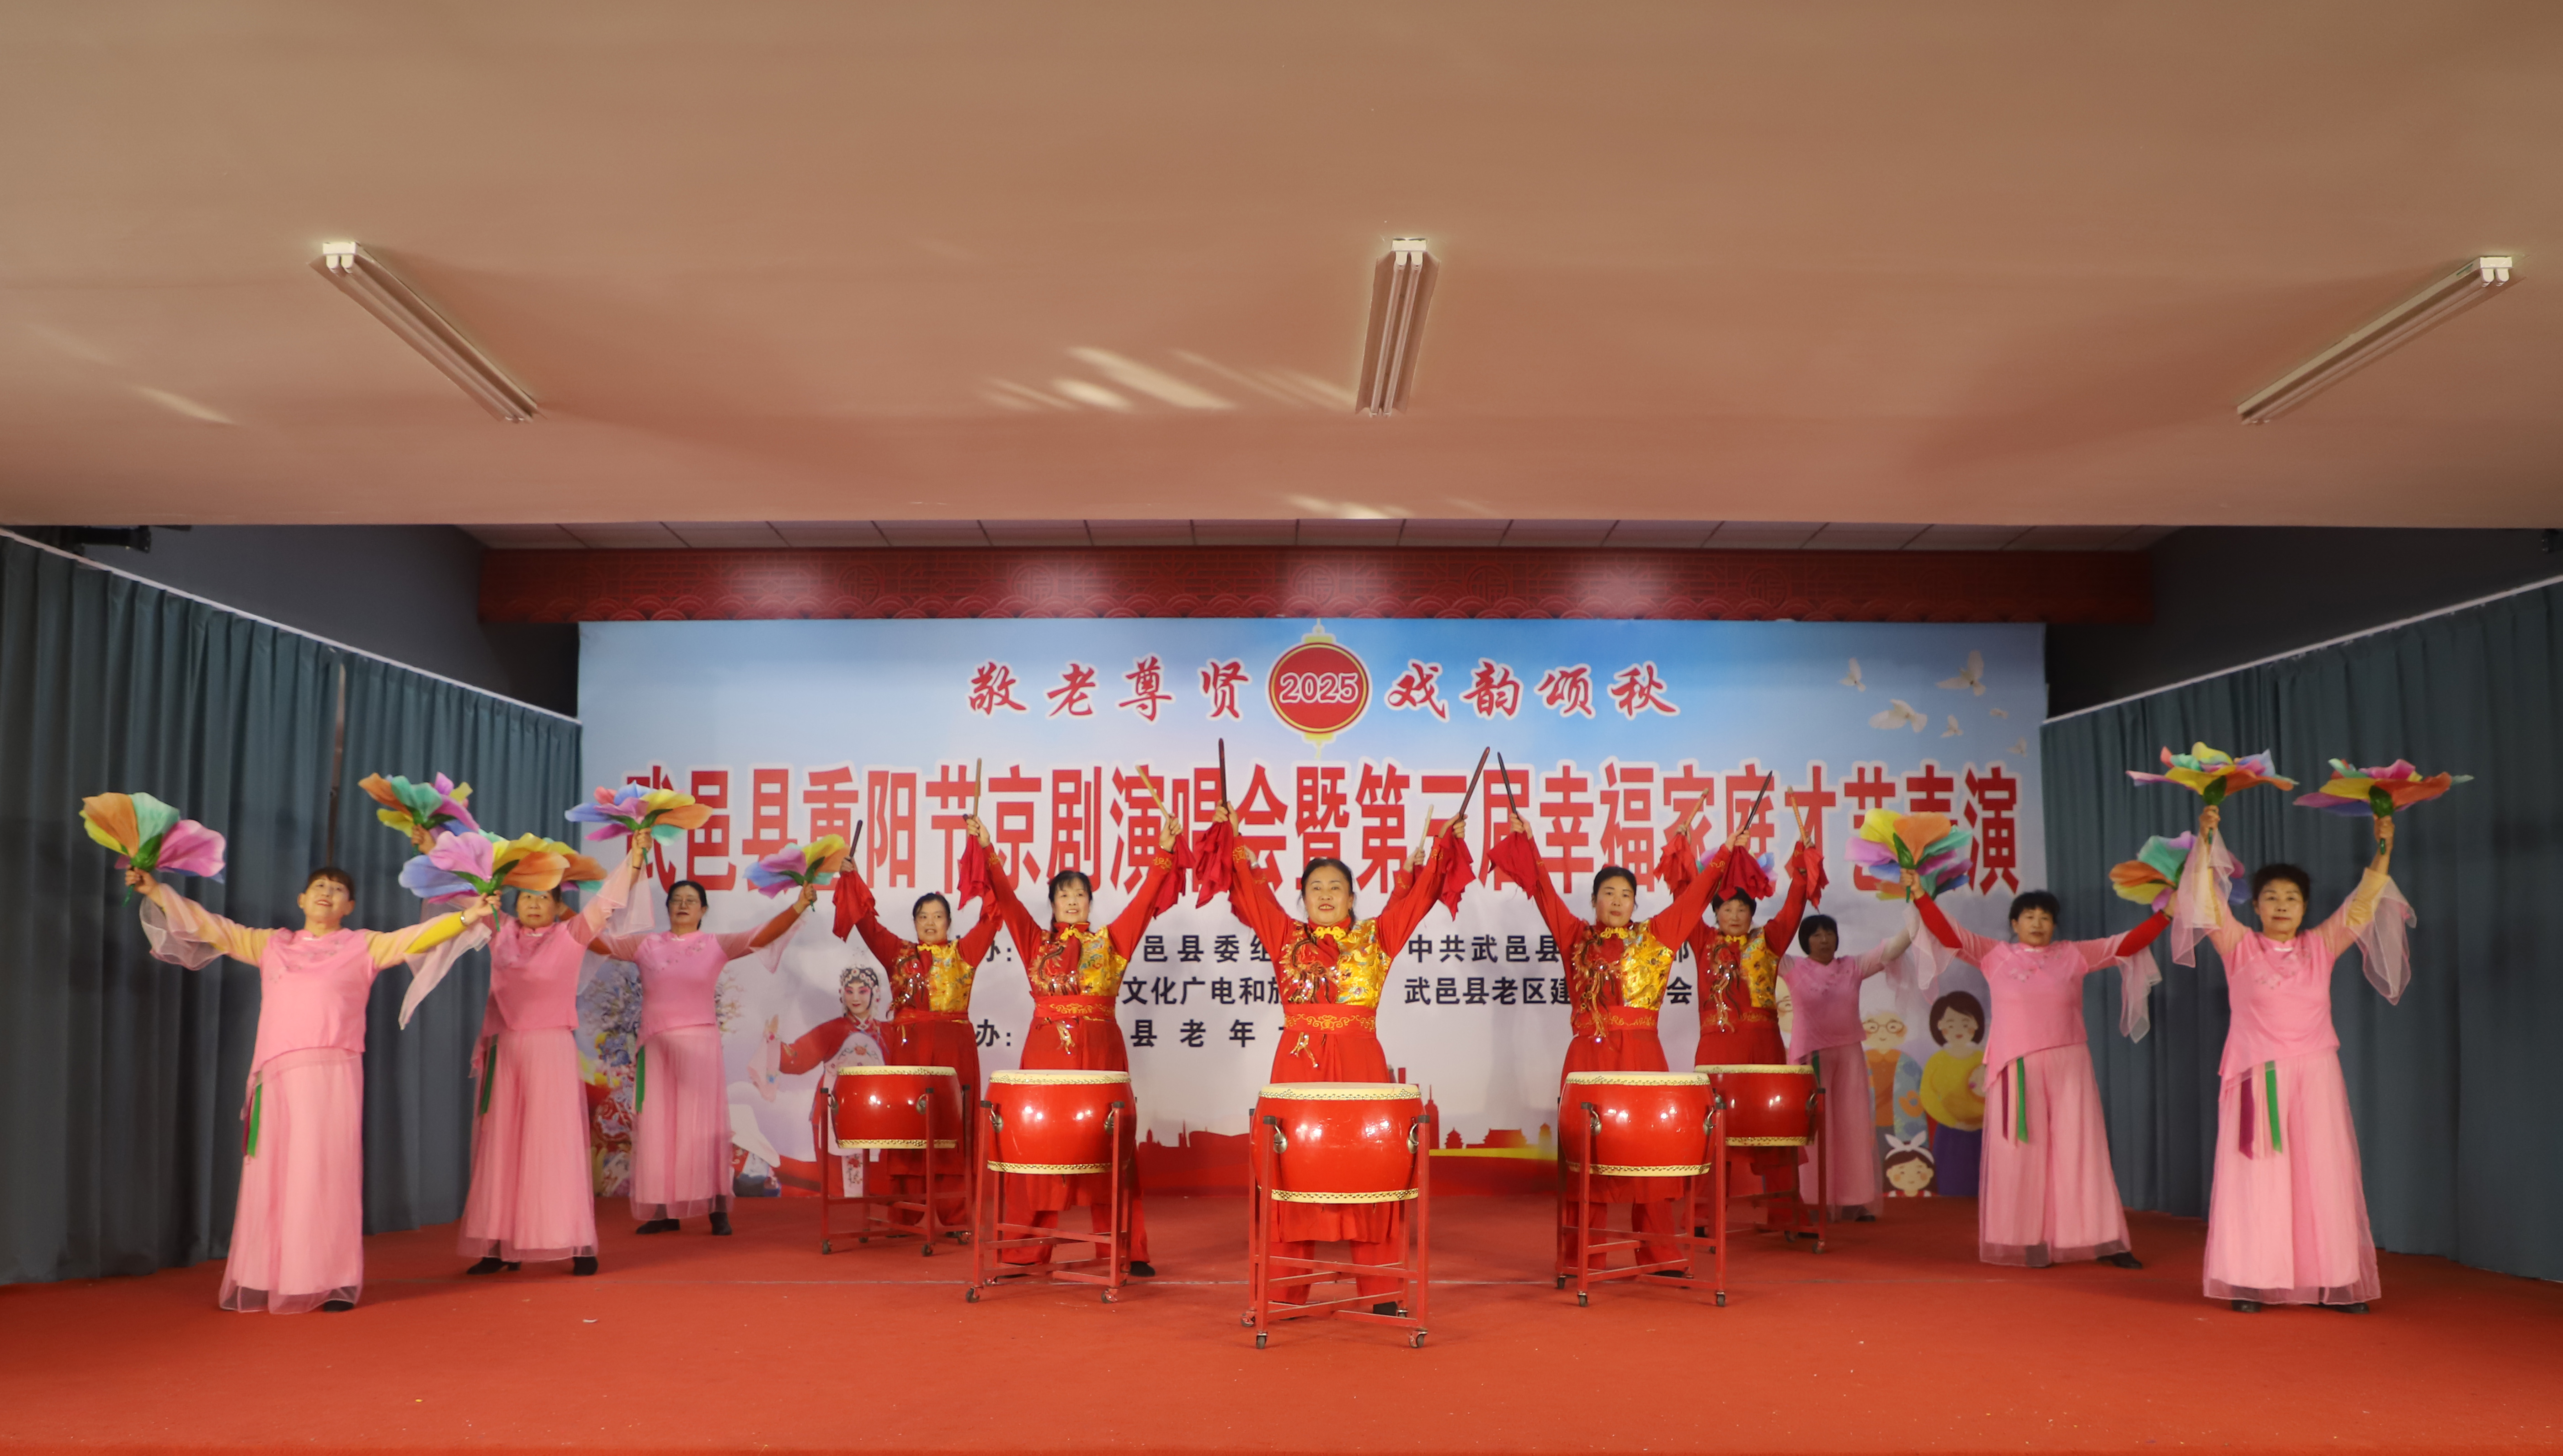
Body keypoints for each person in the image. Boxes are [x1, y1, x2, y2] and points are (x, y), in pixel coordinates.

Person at [126, 862, 493, 1312]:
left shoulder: (363, 946)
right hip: (278, 1074)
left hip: (332, 1074)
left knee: (325, 1173)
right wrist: (157, 892)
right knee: (274, 1174)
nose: (327, 893)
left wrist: (468, 916)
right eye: (320, 886)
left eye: (338, 889)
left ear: (349, 906)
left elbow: (416, 938)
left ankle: (331, 1280)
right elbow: (210, 926)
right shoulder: (271, 944)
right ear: (301, 899)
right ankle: (265, 1275)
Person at [1214, 804, 1465, 1312]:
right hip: (1298, 1067)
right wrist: (1233, 839)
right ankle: (1284, 1294)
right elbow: (1251, 893)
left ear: (1352, 897)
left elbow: (1420, 899)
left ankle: (1381, 1292)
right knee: (1291, 1173)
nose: (1326, 895)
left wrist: (1443, 849)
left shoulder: (1377, 937)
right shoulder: (1284, 936)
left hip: (1360, 1068)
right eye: (1315, 888)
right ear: (1302, 897)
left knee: (1370, 1168)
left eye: (1336, 887)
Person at [2179, 803, 2407, 1313]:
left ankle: (2330, 1280)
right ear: (2256, 907)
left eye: (2292, 898)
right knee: (2258, 1176)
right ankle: (2252, 1280)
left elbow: (2363, 903)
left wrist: (2384, 847)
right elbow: (2204, 900)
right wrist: (2207, 840)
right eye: (2271, 897)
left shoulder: (2321, 946)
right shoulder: (2237, 945)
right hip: (2255, 1073)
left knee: (2320, 1175)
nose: (2281, 906)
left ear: (2304, 908)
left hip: (2315, 1074)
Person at [1488, 810, 1724, 1271]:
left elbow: (1696, 899)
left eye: (1626, 895)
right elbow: (1544, 894)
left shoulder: (1656, 937)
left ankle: (1659, 1251)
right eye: (1609, 893)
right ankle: (1582, 1257)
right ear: (1594, 900)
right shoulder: (1575, 936)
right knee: (1588, 1159)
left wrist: (1725, 854)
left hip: (1643, 1058)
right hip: (1589, 1057)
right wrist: (1529, 844)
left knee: (1650, 1155)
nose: (1617, 901)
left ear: (1635, 903)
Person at [1906, 867, 2168, 1269]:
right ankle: (2028, 1240)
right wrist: (1920, 896)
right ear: (2014, 924)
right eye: (2028, 916)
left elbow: (2127, 943)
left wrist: (2166, 915)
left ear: (2054, 925)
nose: (2037, 923)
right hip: (2016, 1066)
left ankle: (2103, 1241)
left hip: (2069, 1063)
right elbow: (1948, 935)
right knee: (2020, 1152)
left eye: (2045, 917)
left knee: (2080, 1151)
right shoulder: (1993, 955)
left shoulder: (2074, 955)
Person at [984, 814, 1183, 1275]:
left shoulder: (1111, 942)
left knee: (1110, 1145)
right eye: (1063, 895)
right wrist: (989, 851)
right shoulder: (1034, 941)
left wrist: (1164, 852)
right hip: (1046, 1055)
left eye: (1080, 894)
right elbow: (1007, 900)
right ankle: (1025, 1249)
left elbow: (1144, 902)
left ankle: (1125, 1250)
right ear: (1052, 903)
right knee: (1038, 1145)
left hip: (1100, 1053)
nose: (1072, 901)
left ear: (1090, 901)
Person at [449, 833, 651, 1276]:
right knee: (502, 1148)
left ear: (560, 906)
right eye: (527, 897)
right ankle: (498, 1246)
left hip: (551, 1050)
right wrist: (431, 844)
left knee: (555, 1147)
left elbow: (608, 902)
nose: (534, 904)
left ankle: (577, 1244)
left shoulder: (571, 935)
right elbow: (464, 889)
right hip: (506, 1051)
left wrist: (635, 859)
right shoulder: (500, 931)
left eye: (544, 897)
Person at [592, 873, 814, 1235]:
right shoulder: (646, 946)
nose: (683, 905)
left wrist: (800, 905)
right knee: (659, 1130)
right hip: (657, 1050)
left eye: (691, 901)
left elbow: (761, 936)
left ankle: (717, 1208)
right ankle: (664, 1211)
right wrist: (567, 917)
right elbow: (598, 942)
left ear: (703, 910)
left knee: (704, 1131)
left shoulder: (715, 945)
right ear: (667, 908)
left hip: (699, 1048)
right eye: (676, 900)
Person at [817, 816, 1007, 1226]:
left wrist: (985, 851)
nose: (930, 922)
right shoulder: (898, 953)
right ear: (915, 922)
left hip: (954, 1051)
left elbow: (995, 914)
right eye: (923, 916)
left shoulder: (964, 953)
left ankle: (955, 1214)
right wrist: (851, 878)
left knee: (952, 1125)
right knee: (907, 1123)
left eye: (938, 916)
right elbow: (866, 922)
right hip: (910, 1050)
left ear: (949, 923)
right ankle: (904, 1211)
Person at [1666, 821, 1818, 1229]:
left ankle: (1786, 1214)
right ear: (1714, 914)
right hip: (1717, 1048)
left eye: (1742, 909)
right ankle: (1702, 1216)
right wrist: (1685, 851)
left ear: (1752, 913)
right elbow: (1686, 897)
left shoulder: (1769, 940)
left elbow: (1794, 906)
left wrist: (1802, 862)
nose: (1734, 916)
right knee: (1712, 1132)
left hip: (1764, 1048)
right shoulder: (1702, 941)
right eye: (1726, 909)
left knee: (1775, 1129)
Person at [1778, 911, 1917, 1221]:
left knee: (1851, 1127)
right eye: (1816, 934)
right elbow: (1766, 945)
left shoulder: (1853, 967)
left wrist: (1919, 914)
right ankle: (1813, 1201)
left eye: (1829, 933)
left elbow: (1892, 949)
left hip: (1849, 1056)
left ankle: (1854, 1200)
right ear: (1804, 940)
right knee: (1813, 1132)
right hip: (1809, 1058)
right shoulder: (1792, 967)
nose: (1824, 940)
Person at [1917, 990, 1988, 1196]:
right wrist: (1953, 1122)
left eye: (1965, 1023)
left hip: (1984, 1131)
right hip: (1950, 1134)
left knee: (1984, 1184)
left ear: (1977, 1025)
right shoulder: (1937, 1061)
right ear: (1939, 1025)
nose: (1959, 1030)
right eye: (1951, 1023)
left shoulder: (1984, 1058)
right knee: (1950, 1185)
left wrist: (1985, 1120)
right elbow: (1928, 1097)